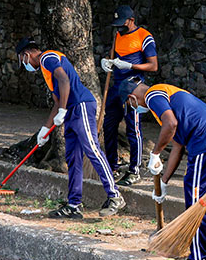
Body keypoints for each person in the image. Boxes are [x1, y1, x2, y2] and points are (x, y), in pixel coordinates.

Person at [119, 78, 206, 260]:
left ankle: (198, 257)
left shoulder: (153, 95)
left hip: (205, 139)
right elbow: (177, 145)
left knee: (196, 198)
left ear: (131, 98)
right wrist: (164, 182)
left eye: (130, 104)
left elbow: (171, 124)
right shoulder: (167, 95)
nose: (134, 108)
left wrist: (155, 153)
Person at [15, 38, 125, 218]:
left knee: (92, 149)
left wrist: (63, 110)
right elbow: (57, 101)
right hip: (71, 110)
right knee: (72, 157)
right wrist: (45, 130)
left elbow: (65, 81)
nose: (25, 65)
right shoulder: (45, 70)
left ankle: (115, 195)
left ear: (26, 55)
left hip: (81, 106)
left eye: (23, 61)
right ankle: (74, 204)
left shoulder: (47, 58)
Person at [100, 5, 159, 186]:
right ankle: (112, 165)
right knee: (108, 126)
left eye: (122, 23)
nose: (119, 27)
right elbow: (114, 56)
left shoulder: (144, 37)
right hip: (116, 87)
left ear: (131, 20)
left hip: (133, 87)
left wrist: (130, 66)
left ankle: (135, 170)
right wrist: (108, 62)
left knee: (133, 129)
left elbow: (153, 66)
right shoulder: (117, 36)